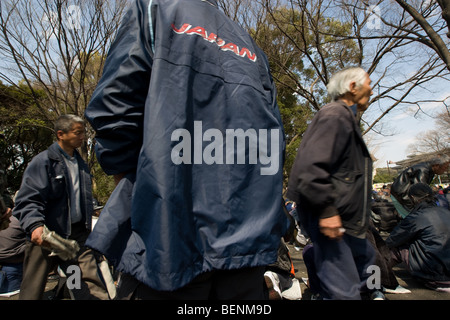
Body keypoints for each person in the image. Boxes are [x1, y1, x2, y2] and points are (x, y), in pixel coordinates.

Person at [85, 0, 288, 299]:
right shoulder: (250, 46)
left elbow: (114, 110)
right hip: (246, 246)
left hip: (168, 238)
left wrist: (136, 185)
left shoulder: (154, 9)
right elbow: (273, 141)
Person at [286, 67, 376, 300]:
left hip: (348, 224)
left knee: (359, 277)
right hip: (334, 220)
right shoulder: (336, 114)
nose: (372, 89)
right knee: (343, 293)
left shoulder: (345, 117)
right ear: (352, 87)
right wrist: (327, 211)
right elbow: (311, 168)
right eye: (369, 83)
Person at [12, 115, 109, 300]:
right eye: (77, 132)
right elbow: (28, 198)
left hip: (77, 237)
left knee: (90, 286)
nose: (82, 137)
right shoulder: (43, 162)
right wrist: (34, 225)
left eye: (84, 132)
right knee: (32, 291)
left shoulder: (81, 165)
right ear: (61, 134)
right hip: (47, 237)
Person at [386, 183, 450, 292]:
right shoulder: (446, 212)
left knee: (398, 247)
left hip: (433, 277)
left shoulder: (416, 217)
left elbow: (392, 240)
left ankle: (378, 273)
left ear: (412, 198)